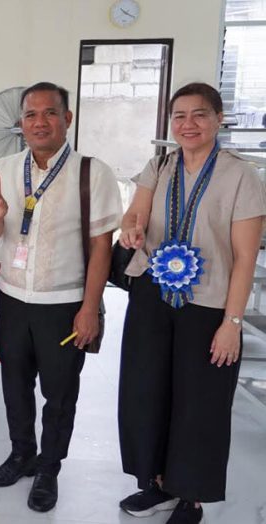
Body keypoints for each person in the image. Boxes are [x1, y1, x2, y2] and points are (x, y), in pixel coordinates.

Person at [116, 82, 266, 524]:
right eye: (179, 116)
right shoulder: (160, 165)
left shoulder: (242, 175)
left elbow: (244, 257)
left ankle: (190, 496)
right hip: (153, 296)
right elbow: (134, 216)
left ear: (219, 119)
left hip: (209, 305)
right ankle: (156, 483)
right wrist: (131, 231)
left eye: (199, 115)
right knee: (147, 392)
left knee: (199, 402)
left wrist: (232, 322)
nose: (188, 124)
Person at [0, 82, 121, 512]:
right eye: (30, 115)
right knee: (14, 384)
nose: (39, 122)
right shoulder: (2, 167)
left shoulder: (92, 173)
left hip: (64, 304)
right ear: (20, 123)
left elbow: (101, 247)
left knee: (60, 393)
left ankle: (49, 467)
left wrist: (89, 309)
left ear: (67, 119)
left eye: (50, 113)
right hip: (13, 299)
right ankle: (22, 453)